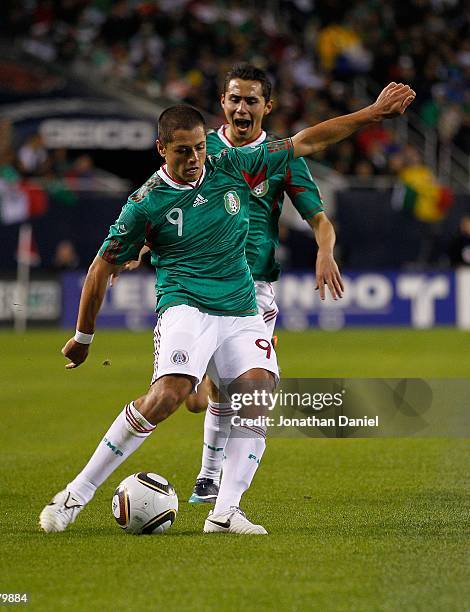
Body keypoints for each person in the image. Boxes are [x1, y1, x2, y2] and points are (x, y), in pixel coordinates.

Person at [39, 83, 415, 536]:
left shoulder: (232, 164)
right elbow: (101, 266)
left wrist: (372, 113)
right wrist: (83, 338)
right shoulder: (145, 203)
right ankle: (73, 497)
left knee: (257, 396)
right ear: (162, 149)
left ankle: (224, 513)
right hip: (185, 305)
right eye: (183, 151)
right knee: (171, 396)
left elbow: (308, 140)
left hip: (240, 308)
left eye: (199, 147)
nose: (195, 158)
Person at [184, 63, 343, 504]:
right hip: (200, 283)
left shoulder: (281, 158)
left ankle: (210, 480)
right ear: (222, 103)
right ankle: (211, 477)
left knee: (236, 389)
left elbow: (320, 220)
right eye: (234, 99)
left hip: (254, 292)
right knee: (199, 397)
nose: (241, 107)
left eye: (251, 100)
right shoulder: (200, 152)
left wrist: (324, 251)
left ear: (266, 107)